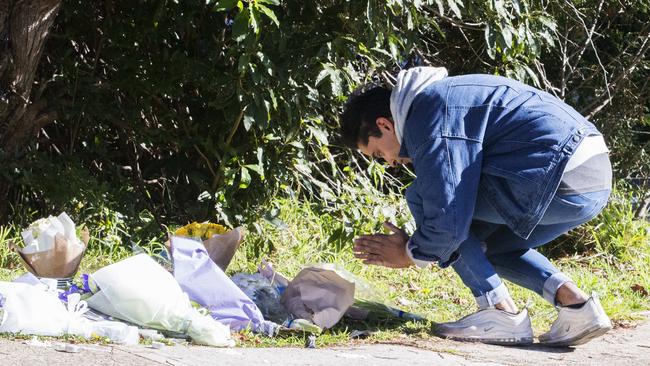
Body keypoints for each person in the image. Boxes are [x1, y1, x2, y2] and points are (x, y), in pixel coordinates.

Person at [340, 67, 613, 346]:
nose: (389, 161)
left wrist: (410, 254)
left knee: (423, 197)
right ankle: (577, 307)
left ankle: (499, 312)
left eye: (378, 152)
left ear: (385, 125)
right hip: (592, 180)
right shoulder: (446, 99)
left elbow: (447, 218)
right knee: (486, 247)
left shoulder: (428, 112)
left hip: (555, 176)